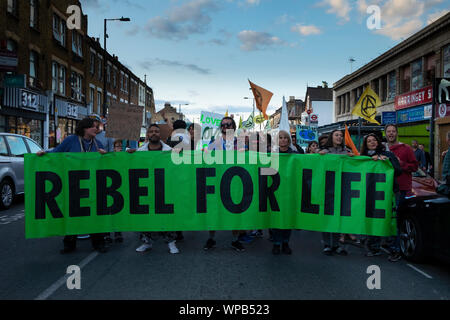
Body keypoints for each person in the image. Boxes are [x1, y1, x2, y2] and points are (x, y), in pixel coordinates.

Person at [37, 117, 108, 254]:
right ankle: (69, 244)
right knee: (73, 214)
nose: (97, 129)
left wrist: (104, 155)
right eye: (94, 126)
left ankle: (98, 243)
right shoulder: (71, 140)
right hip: (74, 185)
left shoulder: (97, 144)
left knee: (94, 215)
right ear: (85, 128)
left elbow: (106, 162)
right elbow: (57, 153)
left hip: (92, 186)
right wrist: (44, 154)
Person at [127, 124, 180, 254]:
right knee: (146, 217)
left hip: (165, 188)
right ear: (148, 135)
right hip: (147, 189)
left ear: (160, 134)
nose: (154, 133)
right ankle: (147, 242)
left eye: (156, 131)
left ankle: (171, 243)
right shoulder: (140, 152)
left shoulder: (169, 150)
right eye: (151, 131)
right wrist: (128, 154)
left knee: (167, 217)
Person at [204, 117, 246, 252]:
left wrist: (243, 152)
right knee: (214, 211)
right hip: (216, 181)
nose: (225, 127)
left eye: (228, 124)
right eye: (223, 125)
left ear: (233, 127)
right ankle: (211, 238)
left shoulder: (239, 143)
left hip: (234, 182)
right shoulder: (214, 142)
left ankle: (235, 240)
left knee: (235, 212)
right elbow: (205, 156)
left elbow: (247, 157)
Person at [360, 133, 402, 257]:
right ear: (366, 145)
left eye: (374, 140)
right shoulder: (363, 158)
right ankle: (374, 247)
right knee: (373, 220)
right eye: (369, 141)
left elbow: (398, 171)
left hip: (389, 193)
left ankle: (394, 249)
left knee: (390, 220)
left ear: (378, 142)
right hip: (370, 194)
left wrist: (386, 161)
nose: (372, 142)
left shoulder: (388, 155)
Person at [385, 124, 419, 262]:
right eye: (389, 131)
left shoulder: (406, 149)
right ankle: (388, 244)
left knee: (396, 220)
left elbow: (415, 166)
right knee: (387, 218)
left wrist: (401, 164)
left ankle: (396, 249)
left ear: (397, 133)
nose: (391, 133)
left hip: (401, 189)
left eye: (393, 131)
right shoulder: (382, 149)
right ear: (385, 133)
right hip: (385, 189)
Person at [319, 129, 354, 256]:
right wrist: (319, 156)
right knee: (328, 217)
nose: (339, 137)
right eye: (336, 135)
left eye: (341, 135)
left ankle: (338, 244)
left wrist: (353, 159)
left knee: (340, 217)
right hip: (328, 190)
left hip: (343, 190)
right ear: (331, 137)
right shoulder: (324, 152)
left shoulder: (347, 152)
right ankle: (328, 244)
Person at [271, 130, 297, 255]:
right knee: (276, 218)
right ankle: (276, 243)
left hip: (290, 191)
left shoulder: (296, 154)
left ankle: (285, 242)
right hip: (275, 191)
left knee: (287, 218)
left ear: (289, 140)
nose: (283, 140)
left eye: (285, 138)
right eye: (280, 138)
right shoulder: (271, 154)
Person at [104, 139, 125, 244]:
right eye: (117, 146)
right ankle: (107, 234)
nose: (120, 148)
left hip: (119, 189)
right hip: (108, 189)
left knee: (118, 213)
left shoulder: (124, 157)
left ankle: (118, 233)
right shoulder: (108, 158)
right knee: (108, 212)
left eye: (121, 146)